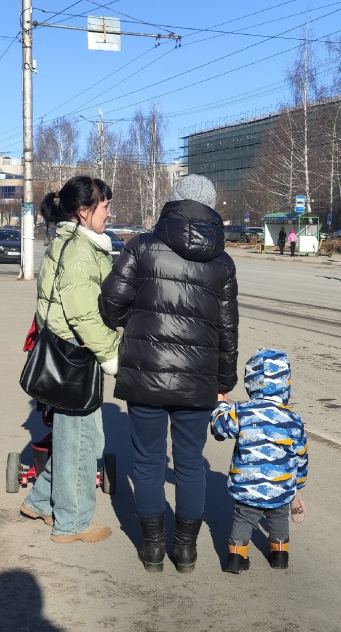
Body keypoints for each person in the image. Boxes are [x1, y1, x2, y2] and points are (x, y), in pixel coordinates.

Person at [100, 174, 239, 574]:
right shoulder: (223, 261)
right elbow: (227, 328)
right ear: (211, 208)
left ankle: (153, 551)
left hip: (146, 374)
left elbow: (110, 303)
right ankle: (186, 552)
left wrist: (136, 320)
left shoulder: (142, 246)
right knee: (192, 463)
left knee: (146, 463)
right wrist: (223, 383)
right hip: (199, 380)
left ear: (173, 202)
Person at [20, 176, 120, 544]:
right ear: (84, 210)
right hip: (75, 357)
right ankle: (72, 524)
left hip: (62, 353)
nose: (110, 213)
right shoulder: (80, 252)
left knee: (77, 440)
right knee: (81, 443)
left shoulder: (67, 241)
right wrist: (112, 355)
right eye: (105, 206)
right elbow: (84, 316)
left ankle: (41, 501)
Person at [210, 349, 308, 574]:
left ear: (251, 381)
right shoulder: (293, 419)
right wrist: (297, 484)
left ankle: (236, 557)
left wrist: (221, 405)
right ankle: (280, 555)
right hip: (281, 486)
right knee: (279, 518)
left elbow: (220, 426)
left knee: (243, 518)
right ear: (286, 383)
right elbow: (301, 455)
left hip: (248, 485)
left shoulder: (242, 411)